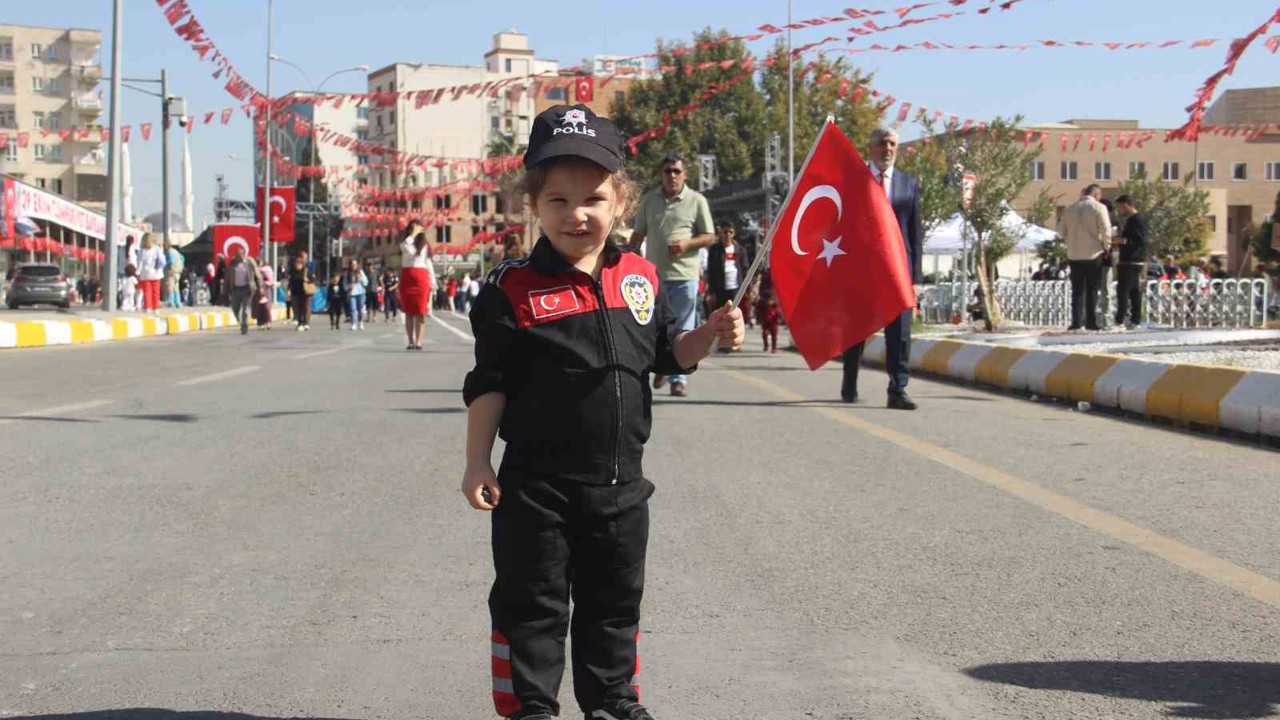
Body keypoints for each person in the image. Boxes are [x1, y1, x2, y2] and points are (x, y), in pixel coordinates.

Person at [461, 104, 743, 720]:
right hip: (536, 491)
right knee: (530, 605)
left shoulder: (639, 279)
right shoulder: (510, 288)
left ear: (620, 201)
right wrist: (477, 462)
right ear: (534, 203)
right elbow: (488, 382)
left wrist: (712, 333)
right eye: (558, 200)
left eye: (592, 198)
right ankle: (530, 706)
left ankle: (613, 701)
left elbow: (671, 355)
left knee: (614, 605)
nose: (576, 215)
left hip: (620, 489)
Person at [840, 126, 924, 410]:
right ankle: (849, 379)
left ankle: (897, 388)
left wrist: (916, 279)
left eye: (891, 144)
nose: (887, 149)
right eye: (881, 143)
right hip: (862, 271)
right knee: (856, 330)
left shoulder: (908, 184)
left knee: (899, 333)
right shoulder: (856, 181)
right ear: (871, 147)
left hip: (898, 272)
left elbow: (915, 235)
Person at [629, 153, 717, 397]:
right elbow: (638, 236)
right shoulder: (649, 200)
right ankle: (663, 364)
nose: (672, 176)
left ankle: (678, 378)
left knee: (684, 327)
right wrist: (625, 257)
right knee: (652, 326)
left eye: (677, 171)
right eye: (667, 171)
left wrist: (687, 244)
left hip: (685, 277)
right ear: (662, 174)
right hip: (652, 277)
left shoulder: (697, 200)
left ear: (685, 174)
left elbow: (710, 235)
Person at [1058, 184, 1111, 331]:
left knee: (1077, 290)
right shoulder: (1099, 208)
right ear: (1097, 194)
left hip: (1074, 254)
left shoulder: (1069, 209)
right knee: (1092, 289)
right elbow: (1106, 230)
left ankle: (1076, 321)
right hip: (1093, 253)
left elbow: (1061, 231)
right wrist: (1107, 247)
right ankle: (1091, 322)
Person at [704, 221, 748, 352]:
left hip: (735, 286)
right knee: (721, 315)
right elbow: (710, 271)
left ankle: (734, 342)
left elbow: (745, 268)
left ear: (734, 233)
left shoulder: (740, 249)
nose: (727, 235)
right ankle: (721, 343)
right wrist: (711, 291)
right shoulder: (714, 249)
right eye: (725, 232)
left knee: (734, 315)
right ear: (720, 233)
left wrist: (747, 289)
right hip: (720, 287)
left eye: (730, 232)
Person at [1113, 195, 1148, 329]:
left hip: (1131, 261)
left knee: (1124, 291)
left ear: (1127, 205)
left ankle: (1120, 320)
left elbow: (1141, 240)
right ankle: (1135, 320)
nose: (1120, 210)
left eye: (1121, 207)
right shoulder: (1131, 220)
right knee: (1134, 292)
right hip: (1131, 260)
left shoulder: (1137, 219)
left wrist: (1123, 241)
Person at [400, 225, 436, 350]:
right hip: (407, 278)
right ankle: (410, 341)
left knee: (420, 312)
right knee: (409, 312)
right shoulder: (405, 244)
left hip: (421, 280)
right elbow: (408, 250)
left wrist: (433, 282)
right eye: (411, 229)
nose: (414, 231)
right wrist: (412, 235)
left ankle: (418, 341)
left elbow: (429, 264)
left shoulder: (425, 246)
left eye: (416, 229)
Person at [221, 245, 261, 335]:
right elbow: (227, 277)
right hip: (236, 289)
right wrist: (225, 290)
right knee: (235, 308)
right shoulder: (232, 263)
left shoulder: (250, 261)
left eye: (240, 255)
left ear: (244, 254)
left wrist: (260, 287)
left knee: (245, 310)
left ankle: (244, 327)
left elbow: (257, 274)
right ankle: (240, 321)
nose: (238, 257)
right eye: (236, 255)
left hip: (248, 289)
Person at [136, 233, 166, 315]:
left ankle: (148, 307)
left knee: (147, 291)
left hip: (145, 273)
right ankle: (156, 308)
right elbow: (163, 260)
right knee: (156, 292)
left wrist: (137, 272)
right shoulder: (157, 249)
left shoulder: (141, 251)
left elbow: (139, 263)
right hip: (156, 273)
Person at [288, 252, 317, 331]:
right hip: (296, 292)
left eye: (299, 263)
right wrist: (289, 290)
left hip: (306, 292)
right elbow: (290, 281)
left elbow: (314, 279)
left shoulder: (308, 269)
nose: (298, 264)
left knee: (306, 308)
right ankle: (300, 323)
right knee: (297, 308)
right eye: (297, 263)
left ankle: (306, 323)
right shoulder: (293, 271)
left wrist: (308, 280)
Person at [343, 257, 369, 330]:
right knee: (352, 309)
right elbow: (344, 284)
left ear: (357, 265)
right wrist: (348, 287)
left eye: (355, 264)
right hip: (352, 294)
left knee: (360, 309)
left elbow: (366, 282)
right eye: (352, 264)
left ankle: (360, 322)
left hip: (361, 293)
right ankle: (353, 323)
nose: (353, 266)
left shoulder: (360, 272)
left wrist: (361, 279)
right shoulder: (347, 273)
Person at [755, 286, 782, 353]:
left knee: (774, 336)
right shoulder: (763, 306)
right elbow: (757, 308)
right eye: (766, 300)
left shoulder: (775, 307)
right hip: (765, 323)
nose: (768, 301)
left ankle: (774, 347)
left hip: (774, 323)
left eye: (770, 300)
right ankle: (766, 345)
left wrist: (779, 319)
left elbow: (778, 313)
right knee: (765, 334)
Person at [253, 260, 276, 330]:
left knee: (266, 307)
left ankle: (268, 322)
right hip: (258, 290)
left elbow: (271, 280)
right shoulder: (255, 271)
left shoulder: (267, 269)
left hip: (266, 289)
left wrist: (266, 283)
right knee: (259, 308)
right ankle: (260, 323)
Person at [163, 241, 185, 308]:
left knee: (170, 287)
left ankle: (171, 302)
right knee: (176, 288)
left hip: (171, 272)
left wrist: (164, 265)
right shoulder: (176, 252)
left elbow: (170, 261)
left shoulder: (169, 252)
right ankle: (178, 302)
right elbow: (182, 258)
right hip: (178, 272)